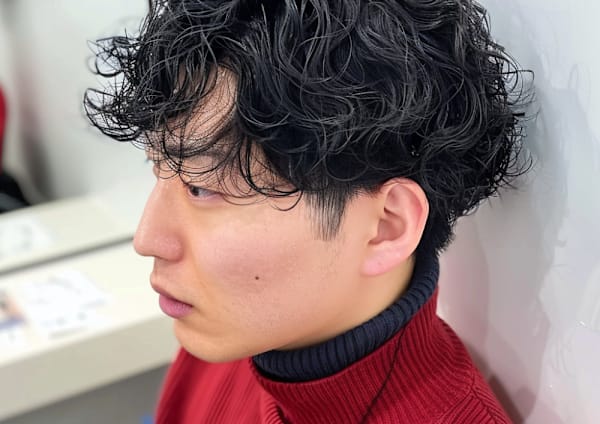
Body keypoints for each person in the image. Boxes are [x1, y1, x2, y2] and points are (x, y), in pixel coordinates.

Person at [85, 0, 529, 422]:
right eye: (157, 168)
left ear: (386, 226)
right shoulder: (234, 332)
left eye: (201, 188)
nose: (147, 239)